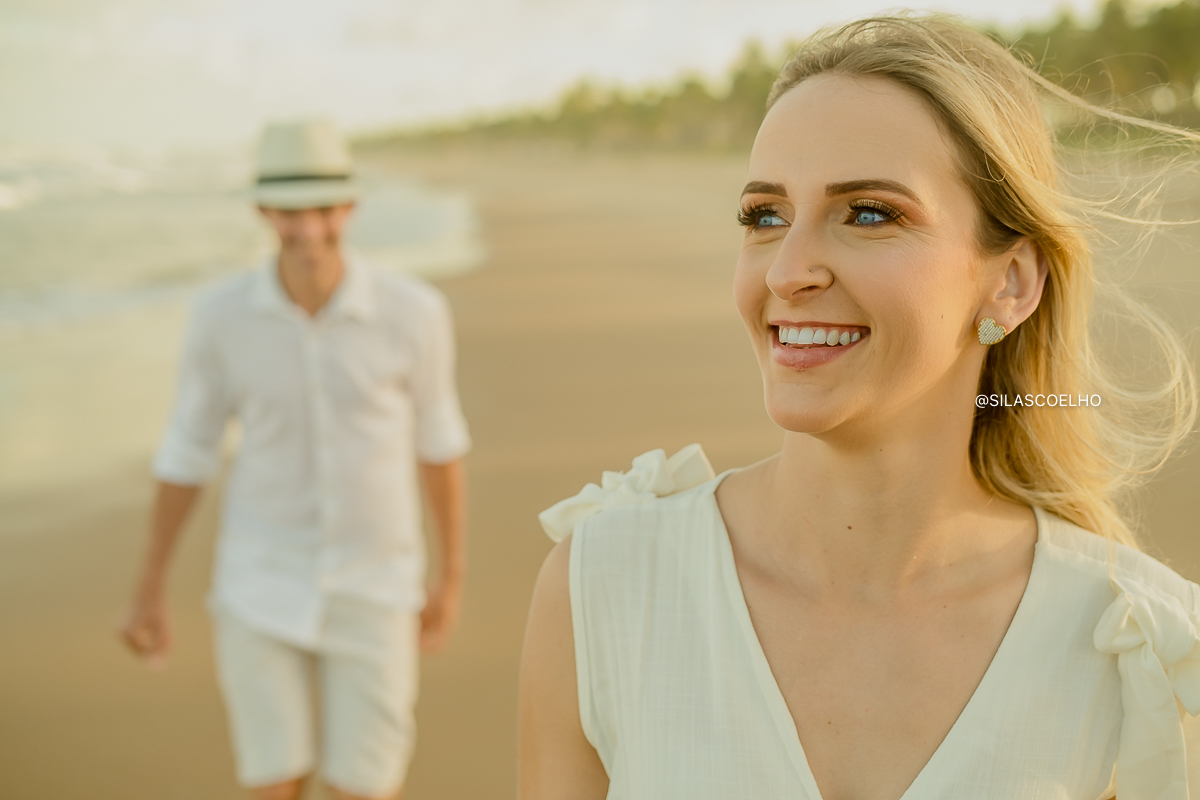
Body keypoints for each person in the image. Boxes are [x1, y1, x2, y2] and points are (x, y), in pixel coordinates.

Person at [518, 15, 1200, 800]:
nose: (789, 271)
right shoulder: (606, 584)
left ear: (1009, 283)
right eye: (764, 216)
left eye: (869, 213)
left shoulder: (1138, 648)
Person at [119, 118, 472, 800]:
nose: (307, 230)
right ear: (262, 212)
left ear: (351, 207)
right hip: (259, 583)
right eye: (289, 213)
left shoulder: (415, 312)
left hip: (378, 586)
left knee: (363, 788)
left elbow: (440, 442)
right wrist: (149, 589)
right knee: (272, 784)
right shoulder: (219, 317)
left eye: (321, 210)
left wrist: (450, 578)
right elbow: (187, 451)